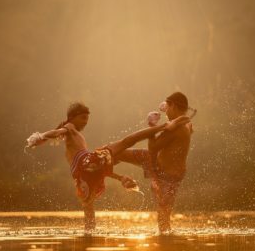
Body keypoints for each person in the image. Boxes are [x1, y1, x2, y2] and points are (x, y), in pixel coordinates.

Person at [25, 102, 190, 233]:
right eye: (83, 118)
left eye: (86, 119)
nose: (85, 122)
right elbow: (57, 132)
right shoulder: (70, 128)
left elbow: (97, 171)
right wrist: (41, 136)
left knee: (89, 214)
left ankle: (88, 239)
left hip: (81, 175)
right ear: (72, 117)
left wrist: (120, 178)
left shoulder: (71, 137)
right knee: (126, 142)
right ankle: (162, 126)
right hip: (87, 161)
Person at [114, 92, 194, 234]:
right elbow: (185, 122)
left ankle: (166, 246)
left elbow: (153, 147)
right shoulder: (186, 123)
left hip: (167, 176)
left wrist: (152, 125)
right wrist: (170, 115)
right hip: (159, 163)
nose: (165, 111)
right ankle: (106, 159)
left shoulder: (177, 128)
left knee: (163, 221)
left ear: (173, 106)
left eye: (167, 107)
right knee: (118, 152)